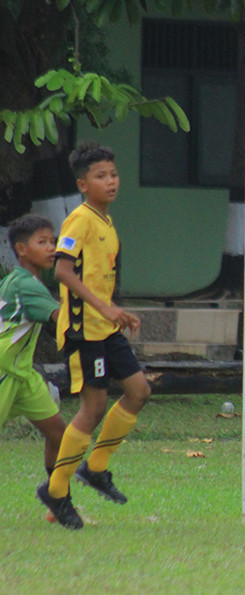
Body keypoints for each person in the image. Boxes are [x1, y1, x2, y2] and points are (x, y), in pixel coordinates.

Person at [38, 142, 152, 530]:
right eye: (101, 177)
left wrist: (115, 310)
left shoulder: (106, 221)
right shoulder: (80, 220)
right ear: (83, 184)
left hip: (106, 328)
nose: (111, 182)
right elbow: (63, 272)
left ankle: (96, 467)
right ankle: (56, 490)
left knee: (139, 391)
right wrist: (105, 308)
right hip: (84, 331)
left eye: (114, 175)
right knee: (93, 408)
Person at [0, 214, 68, 513]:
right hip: (4, 371)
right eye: (42, 242)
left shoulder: (20, 281)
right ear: (22, 249)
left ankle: (57, 499)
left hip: (23, 375)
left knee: (58, 434)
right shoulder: (28, 286)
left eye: (52, 241)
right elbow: (62, 321)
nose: (51, 247)